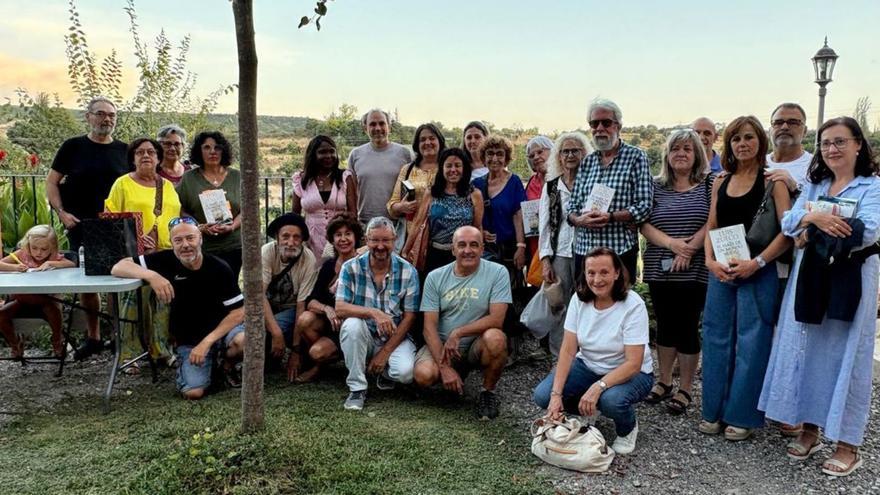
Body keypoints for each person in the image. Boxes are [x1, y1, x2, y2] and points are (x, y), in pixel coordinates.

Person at [760, 117, 880, 477]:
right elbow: (789, 221)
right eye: (826, 143)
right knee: (808, 348)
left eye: (840, 141)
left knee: (848, 355)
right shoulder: (818, 183)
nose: (832, 149)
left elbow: (869, 228)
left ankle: (848, 444)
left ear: (858, 144)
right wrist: (817, 220)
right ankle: (810, 428)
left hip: (852, 275)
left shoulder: (872, 186)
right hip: (812, 273)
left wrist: (815, 220)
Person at [699, 116, 791, 441]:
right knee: (715, 338)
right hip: (721, 270)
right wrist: (709, 261)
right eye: (736, 138)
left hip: (757, 270)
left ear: (760, 141)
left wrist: (758, 262)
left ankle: (742, 416)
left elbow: (787, 232)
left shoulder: (773, 182)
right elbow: (711, 225)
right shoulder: (719, 181)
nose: (742, 144)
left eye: (749, 137)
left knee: (753, 343)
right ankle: (712, 410)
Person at [533, 247, 654, 455]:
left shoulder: (633, 304)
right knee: (543, 396)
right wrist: (556, 395)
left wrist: (598, 387)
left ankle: (628, 427)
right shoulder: (579, 300)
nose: (597, 279)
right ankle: (587, 408)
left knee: (612, 401)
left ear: (617, 273)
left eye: (604, 272)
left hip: (631, 372)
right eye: (591, 273)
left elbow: (633, 363)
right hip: (588, 365)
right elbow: (568, 350)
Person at [111, 218, 245, 399]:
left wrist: (207, 342)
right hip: (189, 340)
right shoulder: (164, 260)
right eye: (178, 240)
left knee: (243, 340)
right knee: (193, 392)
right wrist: (152, 276)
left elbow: (238, 312)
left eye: (190, 238)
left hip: (221, 333)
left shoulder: (219, 267)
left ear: (200, 239)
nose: (185, 245)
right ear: (172, 243)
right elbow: (119, 266)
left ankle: (227, 365)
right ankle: (206, 366)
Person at [47, 96, 130, 361]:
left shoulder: (125, 150)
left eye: (112, 115)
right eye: (101, 114)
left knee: (117, 281)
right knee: (87, 284)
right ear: (88, 116)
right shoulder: (72, 147)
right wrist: (62, 213)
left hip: (114, 227)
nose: (107, 119)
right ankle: (93, 338)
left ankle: (119, 339)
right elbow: (51, 183)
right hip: (80, 224)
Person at [639, 129, 712, 414]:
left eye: (687, 148)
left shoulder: (709, 184)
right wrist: (673, 245)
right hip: (660, 265)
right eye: (675, 149)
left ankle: (686, 388)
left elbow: (714, 220)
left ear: (697, 154)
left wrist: (689, 249)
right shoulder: (655, 186)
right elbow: (643, 223)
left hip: (695, 268)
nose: (680, 153)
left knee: (687, 326)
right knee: (666, 324)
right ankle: (664, 380)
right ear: (667, 155)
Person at [413, 226, 511, 420]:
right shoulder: (435, 277)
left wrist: (458, 332)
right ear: (453, 249)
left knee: (496, 338)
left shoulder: (498, 272)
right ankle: (449, 377)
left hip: (476, 344)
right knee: (423, 375)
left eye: (474, 245)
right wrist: (444, 366)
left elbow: (497, 318)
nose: (468, 250)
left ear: (482, 249)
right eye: (462, 245)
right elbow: (428, 327)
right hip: (443, 345)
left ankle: (487, 393)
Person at [105, 137, 182, 368]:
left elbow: (174, 216)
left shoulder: (166, 185)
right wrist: (135, 238)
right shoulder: (122, 184)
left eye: (151, 152)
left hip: (165, 252)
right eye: (140, 152)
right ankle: (129, 355)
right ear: (133, 158)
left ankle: (161, 350)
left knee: (163, 302)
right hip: (133, 255)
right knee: (131, 304)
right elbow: (110, 221)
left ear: (159, 158)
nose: (146, 156)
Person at [336, 217, 420, 411]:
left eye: (386, 240)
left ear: (395, 240)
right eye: (374, 240)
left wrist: (385, 352)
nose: (380, 246)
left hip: (394, 336)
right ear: (366, 240)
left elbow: (410, 317)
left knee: (405, 373)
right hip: (364, 333)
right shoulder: (350, 267)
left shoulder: (408, 271)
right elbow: (340, 307)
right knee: (352, 325)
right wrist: (374, 313)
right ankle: (357, 388)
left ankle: (382, 372)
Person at [567, 98, 653, 283]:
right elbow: (572, 206)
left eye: (606, 122)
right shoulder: (587, 162)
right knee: (586, 306)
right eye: (594, 123)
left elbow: (645, 206)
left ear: (618, 126)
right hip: (585, 251)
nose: (599, 128)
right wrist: (578, 219)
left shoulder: (636, 157)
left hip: (619, 251)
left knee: (620, 307)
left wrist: (612, 217)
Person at [288, 212, 363, 383]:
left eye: (348, 234)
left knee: (317, 352)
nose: (343, 239)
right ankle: (322, 361)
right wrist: (327, 309)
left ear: (356, 237)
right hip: (331, 324)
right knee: (305, 319)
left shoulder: (363, 264)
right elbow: (311, 301)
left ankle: (321, 363)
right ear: (332, 239)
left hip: (354, 324)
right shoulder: (329, 265)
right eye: (338, 235)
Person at [538, 132, 593, 356]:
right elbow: (544, 224)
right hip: (559, 252)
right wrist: (545, 259)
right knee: (559, 305)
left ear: (584, 154)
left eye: (575, 150)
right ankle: (559, 356)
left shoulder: (591, 182)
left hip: (588, 252)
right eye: (565, 151)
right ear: (558, 157)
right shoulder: (551, 187)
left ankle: (586, 353)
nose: (570, 155)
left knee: (586, 301)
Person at [403, 148, 484, 274]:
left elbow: (477, 227)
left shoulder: (474, 194)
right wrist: (405, 251)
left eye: (457, 166)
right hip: (435, 255)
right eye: (448, 166)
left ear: (464, 169)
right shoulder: (432, 193)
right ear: (442, 168)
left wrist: (479, 255)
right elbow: (417, 223)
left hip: (464, 255)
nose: (453, 170)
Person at [0, 225, 75, 359]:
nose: (38, 252)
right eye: (34, 248)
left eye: (43, 249)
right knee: (1, 316)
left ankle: (57, 341)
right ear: (28, 245)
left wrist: (52, 264)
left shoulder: (54, 258)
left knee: (55, 311)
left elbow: (72, 264)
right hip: (21, 300)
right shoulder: (22, 254)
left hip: (46, 301)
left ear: (52, 248)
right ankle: (14, 343)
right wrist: (15, 267)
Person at [176, 131, 243, 279]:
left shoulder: (237, 176)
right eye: (207, 147)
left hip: (234, 246)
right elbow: (179, 209)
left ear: (223, 150)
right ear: (199, 151)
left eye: (217, 147)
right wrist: (198, 227)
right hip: (201, 247)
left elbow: (248, 210)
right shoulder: (189, 179)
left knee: (229, 288)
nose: (212, 151)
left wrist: (232, 226)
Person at [292, 135, 357, 258]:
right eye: (322, 152)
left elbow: (353, 213)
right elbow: (295, 215)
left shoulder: (345, 177)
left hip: (340, 239)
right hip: (310, 239)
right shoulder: (301, 179)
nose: (328, 156)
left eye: (332, 151)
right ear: (313, 155)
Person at [347, 109, 413, 225]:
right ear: (365, 128)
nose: (377, 128)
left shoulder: (405, 154)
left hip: (397, 224)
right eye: (372, 124)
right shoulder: (355, 155)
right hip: (365, 224)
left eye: (382, 123)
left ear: (389, 126)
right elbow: (351, 192)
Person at [473, 135, 527, 272]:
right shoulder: (476, 184)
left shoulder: (514, 182)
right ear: (484, 158)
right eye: (490, 154)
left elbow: (518, 215)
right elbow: (471, 216)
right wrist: (480, 233)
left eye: (500, 154)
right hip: (485, 251)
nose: (495, 159)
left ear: (506, 158)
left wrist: (521, 247)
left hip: (509, 249)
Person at [387, 123, 446, 238]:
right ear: (417, 145)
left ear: (440, 141)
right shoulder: (407, 169)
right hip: (413, 237)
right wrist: (402, 207)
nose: (427, 143)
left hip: (444, 236)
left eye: (432, 138)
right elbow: (392, 205)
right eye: (422, 140)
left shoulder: (449, 168)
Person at [766, 103, 813, 191]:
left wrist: (795, 187)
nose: (784, 127)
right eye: (778, 123)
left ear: (805, 131)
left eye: (793, 123)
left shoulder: (816, 167)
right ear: (769, 131)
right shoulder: (757, 164)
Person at [524, 135, 553, 259]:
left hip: (556, 245)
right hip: (534, 245)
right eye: (531, 156)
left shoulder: (563, 179)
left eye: (540, 152)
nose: (536, 157)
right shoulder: (530, 182)